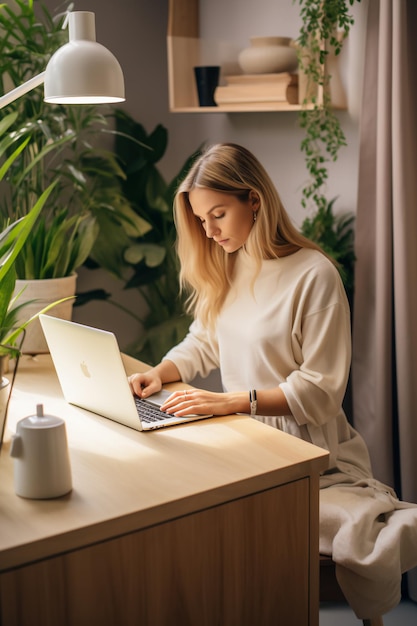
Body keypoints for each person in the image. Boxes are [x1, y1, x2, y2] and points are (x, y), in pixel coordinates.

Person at [128, 143, 417, 620]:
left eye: (218, 214)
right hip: (244, 440)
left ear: (254, 199)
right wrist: (158, 373)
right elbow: (204, 340)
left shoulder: (314, 275)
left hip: (308, 454)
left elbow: (321, 392)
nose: (210, 231)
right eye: (202, 220)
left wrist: (232, 402)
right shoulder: (230, 263)